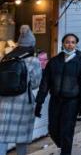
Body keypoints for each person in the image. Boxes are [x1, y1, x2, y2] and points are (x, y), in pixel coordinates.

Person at [35, 33, 81, 155]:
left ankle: (65, 151)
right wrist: (39, 101)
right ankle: (64, 145)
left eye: (72, 42)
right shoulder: (54, 62)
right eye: (67, 42)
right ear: (62, 43)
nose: (70, 44)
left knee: (67, 131)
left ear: (76, 45)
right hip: (55, 100)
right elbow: (45, 83)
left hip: (72, 102)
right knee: (53, 129)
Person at [0, 26, 42, 155]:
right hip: (23, 103)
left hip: (4, 102)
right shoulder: (33, 61)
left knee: (1, 135)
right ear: (32, 45)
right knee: (22, 136)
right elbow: (35, 84)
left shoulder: (6, 58)